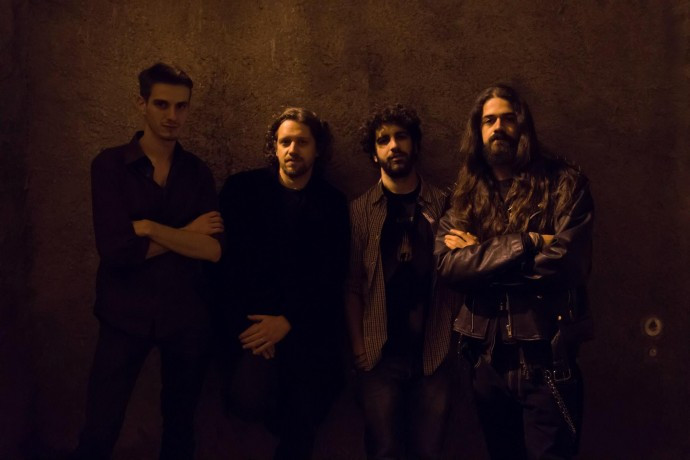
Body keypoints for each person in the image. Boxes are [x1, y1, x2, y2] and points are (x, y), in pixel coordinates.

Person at [73, 63, 223, 460]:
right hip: (124, 314)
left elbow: (213, 250)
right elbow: (117, 251)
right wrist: (186, 234)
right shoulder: (109, 166)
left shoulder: (196, 172)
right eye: (162, 104)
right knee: (100, 425)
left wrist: (151, 228)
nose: (172, 116)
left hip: (185, 315)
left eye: (181, 106)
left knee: (180, 426)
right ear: (141, 104)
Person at [436, 84, 594, 460]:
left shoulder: (564, 184)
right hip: (486, 364)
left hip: (547, 361)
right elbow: (448, 266)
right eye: (489, 120)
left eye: (508, 119)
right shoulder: (465, 193)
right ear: (478, 131)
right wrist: (527, 242)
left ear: (523, 126)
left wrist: (482, 260)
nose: (498, 127)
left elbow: (567, 263)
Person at [215, 107, 349, 459]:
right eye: (285, 142)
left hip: (306, 332)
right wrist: (254, 331)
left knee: (304, 410)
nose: (292, 150)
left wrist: (289, 321)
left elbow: (331, 277)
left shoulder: (333, 204)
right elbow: (226, 269)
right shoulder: (243, 191)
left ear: (317, 150)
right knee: (249, 398)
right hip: (252, 329)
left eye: (302, 142)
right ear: (273, 148)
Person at [346, 104, 454, 459]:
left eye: (401, 136)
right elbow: (352, 284)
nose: (394, 145)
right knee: (384, 451)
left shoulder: (444, 205)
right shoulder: (360, 211)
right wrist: (360, 347)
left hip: (433, 353)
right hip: (379, 355)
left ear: (415, 144)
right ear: (374, 153)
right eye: (383, 140)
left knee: (429, 451)